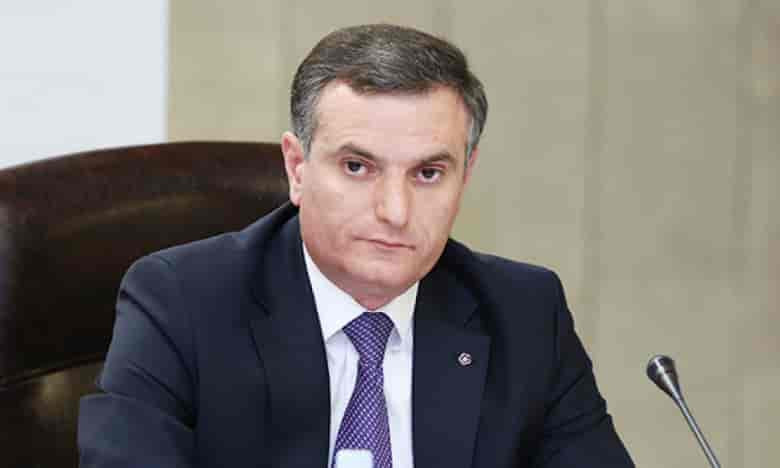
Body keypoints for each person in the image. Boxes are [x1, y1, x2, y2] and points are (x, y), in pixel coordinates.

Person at [78, 24, 634, 467]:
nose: (394, 211)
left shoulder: (524, 312)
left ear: (465, 177)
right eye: (357, 167)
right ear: (297, 168)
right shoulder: (182, 302)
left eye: (428, 174)